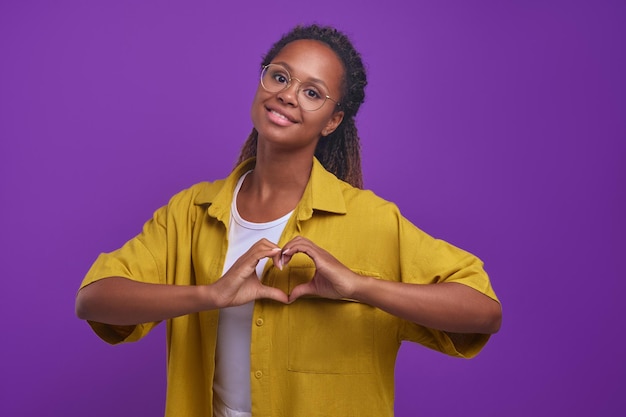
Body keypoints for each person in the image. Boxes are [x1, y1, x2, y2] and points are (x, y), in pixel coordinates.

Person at [76, 24, 501, 417]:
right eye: (280, 77)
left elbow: (483, 312)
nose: (288, 94)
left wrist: (359, 286)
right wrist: (211, 294)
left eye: (313, 93)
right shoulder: (190, 212)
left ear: (333, 121)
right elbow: (94, 299)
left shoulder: (372, 220)